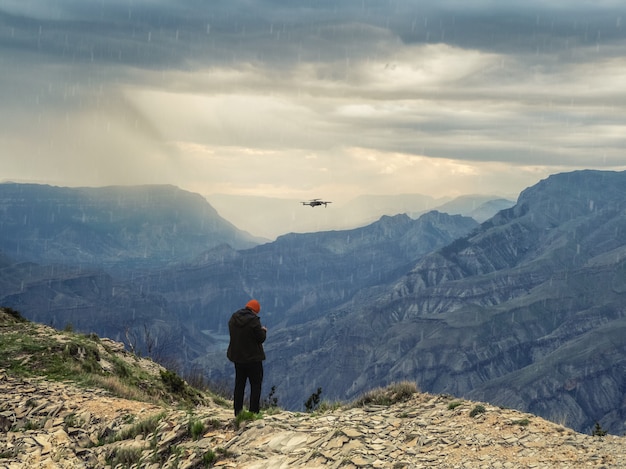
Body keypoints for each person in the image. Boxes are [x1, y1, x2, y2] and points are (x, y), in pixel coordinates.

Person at [227, 299, 267, 416]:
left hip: (238, 358)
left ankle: (238, 412)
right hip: (253, 359)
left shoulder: (234, 318)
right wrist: (263, 331)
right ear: (255, 311)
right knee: (255, 385)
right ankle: (253, 412)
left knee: (239, 385)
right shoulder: (253, 321)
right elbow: (260, 338)